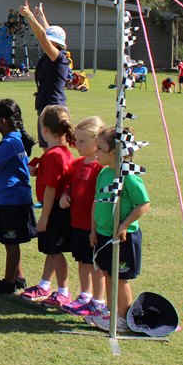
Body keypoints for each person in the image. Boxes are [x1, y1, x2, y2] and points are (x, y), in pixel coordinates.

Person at [87, 126, 151, 332]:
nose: (95, 151)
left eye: (100, 148)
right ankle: (111, 312)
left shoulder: (129, 177)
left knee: (119, 278)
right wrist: (93, 229)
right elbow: (97, 201)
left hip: (124, 238)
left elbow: (144, 204)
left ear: (115, 152)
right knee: (108, 275)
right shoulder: (105, 173)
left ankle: (123, 319)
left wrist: (124, 225)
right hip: (104, 234)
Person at [21, 105, 75, 307]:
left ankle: (63, 291)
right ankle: (44, 284)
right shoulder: (60, 152)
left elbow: (52, 188)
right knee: (51, 250)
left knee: (55, 251)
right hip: (55, 208)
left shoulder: (54, 155)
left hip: (54, 210)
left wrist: (44, 216)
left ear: (44, 129)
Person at [0, 98, 38, 294]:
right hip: (12, 197)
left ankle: (8, 283)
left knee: (11, 241)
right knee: (10, 240)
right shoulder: (14, 139)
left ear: (2, 122)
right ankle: (18, 277)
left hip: (13, 199)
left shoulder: (9, 142)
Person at [60, 116, 107, 317]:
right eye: (76, 140)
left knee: (96, 264)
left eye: (82, 141)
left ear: (97, 141)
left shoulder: (101, 168)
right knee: (82, 261)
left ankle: (98, 301)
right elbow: (71, 185)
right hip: (76, 222)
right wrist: (65, 193)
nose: (76, 144)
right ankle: (85, 295)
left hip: (93, 225)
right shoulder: (77, 163)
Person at [19, 0, 69, 148]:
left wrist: (29, 17)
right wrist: (41, 16)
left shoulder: (59, 58)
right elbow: (46, 32)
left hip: (54, 110)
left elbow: (42, 36)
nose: (45, 42)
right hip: (46, 108)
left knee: (52, 149)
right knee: (47, 150)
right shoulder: (53, 54)